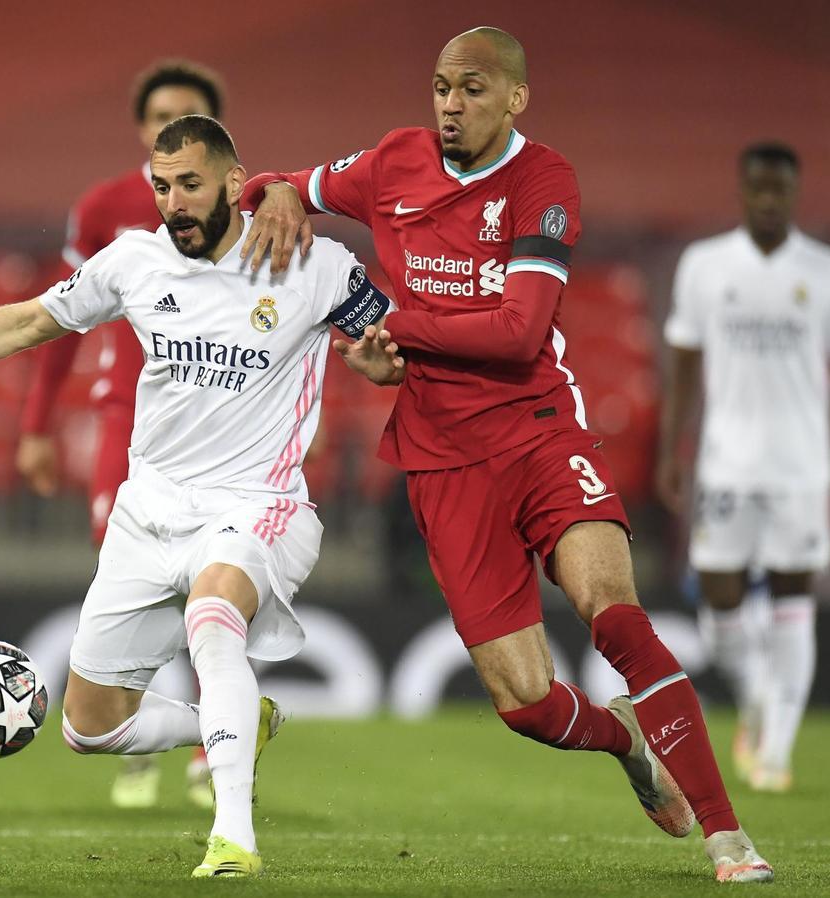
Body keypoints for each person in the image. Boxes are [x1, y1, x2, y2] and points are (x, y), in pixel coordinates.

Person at [239, 26, 773, 883]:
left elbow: (520, 332)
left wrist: (394, 329)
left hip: (538, 431)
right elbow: (287, 182)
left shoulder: (543, 180)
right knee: (525, 704)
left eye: (473, 88)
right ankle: (628, 741)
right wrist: (273, 193)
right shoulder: (392, 162)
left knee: (617, 616)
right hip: (444, 461)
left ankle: (727, 835)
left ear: (515, 98)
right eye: (443, 87)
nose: (451, 104)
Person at [0, 115, 398, 878]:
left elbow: (397, 349)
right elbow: (23, 323)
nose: (174, 201)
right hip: (148, 511)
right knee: (89, 729)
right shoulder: (134, 262)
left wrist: (388, 367)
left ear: (231, 178)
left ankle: (234, 839)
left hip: (258, 503)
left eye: (189, 183)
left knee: (214, 618)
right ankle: (237, 720)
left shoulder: (313, 264)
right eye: (161, 186)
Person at [15, 60, 225, 810]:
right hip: (124, 420)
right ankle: (133, 732)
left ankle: (209, 749)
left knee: (207, 580)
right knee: (133, 580)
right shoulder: (105, 207)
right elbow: (60, 321)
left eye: (188, 113)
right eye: (160, 113)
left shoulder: (250, 204)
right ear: (141, 127)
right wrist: (36, 424)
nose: (170, 124)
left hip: (215, 422)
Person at [657, 142, 830, 793]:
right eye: (757, 188)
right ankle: (757, 697)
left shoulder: (827, 273)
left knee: (793, 600)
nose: (767, 199)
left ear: (794, 193)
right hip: (725, 466)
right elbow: (683, 367)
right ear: (742, 190)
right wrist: (670, 452)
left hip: (800, 469)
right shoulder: (705, 266)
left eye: (779, 189)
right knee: (719, 605)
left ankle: (776, 752)